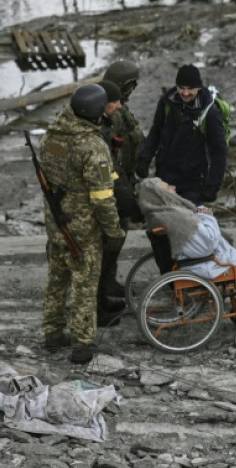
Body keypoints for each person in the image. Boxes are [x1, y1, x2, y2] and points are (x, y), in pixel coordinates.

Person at [137, 178, 236, 345]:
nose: (174, 186)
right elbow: (207, 244)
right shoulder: (175, 216)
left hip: (197, 262)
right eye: (168, 187)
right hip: (206, 264)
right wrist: (206, 216)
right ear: (160, 194)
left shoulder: (162, 212)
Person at [39, 83, 126, 364]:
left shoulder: (51, 136)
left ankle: (52, 333)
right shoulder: (92, 145)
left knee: (57, 279)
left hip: (56, 224)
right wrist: (114, 230)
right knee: (84, 285)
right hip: (83, 229)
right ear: (96, 113)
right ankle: (82, 345)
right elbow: (102, 197)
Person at [136, 64, 227, 206]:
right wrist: (145, 158)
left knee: (186, 223)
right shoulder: (166, 102)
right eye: (181, 88)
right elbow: (156, 132)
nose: (185, 93)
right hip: (164, 177)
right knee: (163, 220)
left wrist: (213, 185)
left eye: (190, 89)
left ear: (199, 87)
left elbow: (219, 151)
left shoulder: (210, 113)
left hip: (192, 183)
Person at [99, 60, 146, 304]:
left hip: (125, 178)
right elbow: (107, 153)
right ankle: (102, 287)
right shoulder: (109, 113)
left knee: (119, 235)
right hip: (113, 184)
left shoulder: (120, 109)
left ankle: (108, 280)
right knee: (110, 239)